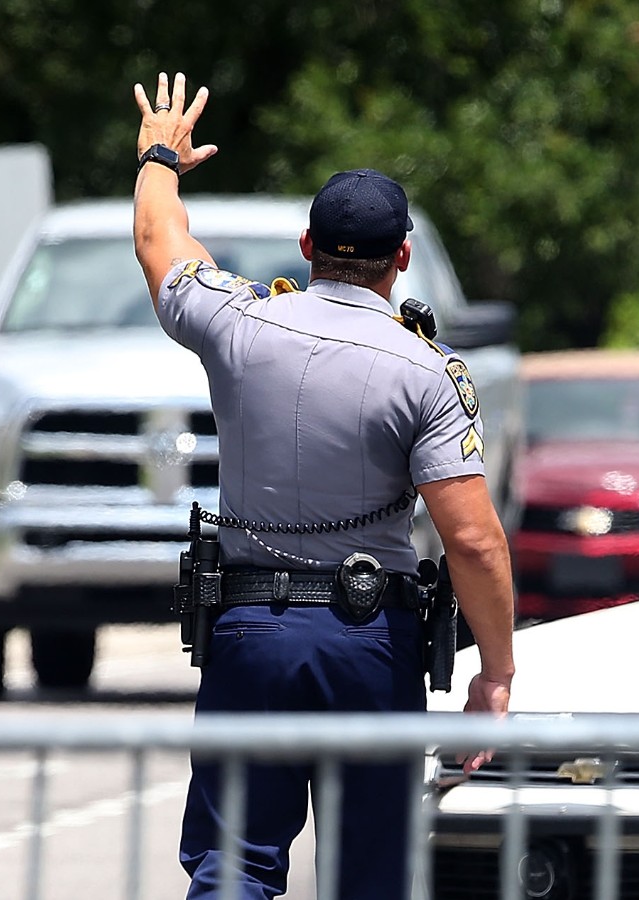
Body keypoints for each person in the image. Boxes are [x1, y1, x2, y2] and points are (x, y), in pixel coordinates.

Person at [130, 72, 516, 900]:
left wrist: (160, 155)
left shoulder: (235, 324)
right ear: (402, 259)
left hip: (248, 638)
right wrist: (495, 673)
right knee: (369, 877)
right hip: (370, 646)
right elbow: (474, 540)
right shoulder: (427, 374)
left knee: (233, 867)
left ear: (308, 247)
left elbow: (161, 241)